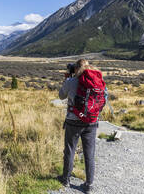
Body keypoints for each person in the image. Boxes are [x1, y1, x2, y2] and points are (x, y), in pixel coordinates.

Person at [57, 59, 101, 194]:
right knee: (90, 153)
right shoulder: (97, 80)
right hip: (91, 122)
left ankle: (65, 179)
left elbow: (61, 96)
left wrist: (67, 80)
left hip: (73, 121)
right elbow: (102, 98)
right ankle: (89, 184)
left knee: (70, 150)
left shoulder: (71, 82)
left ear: (75, 68)